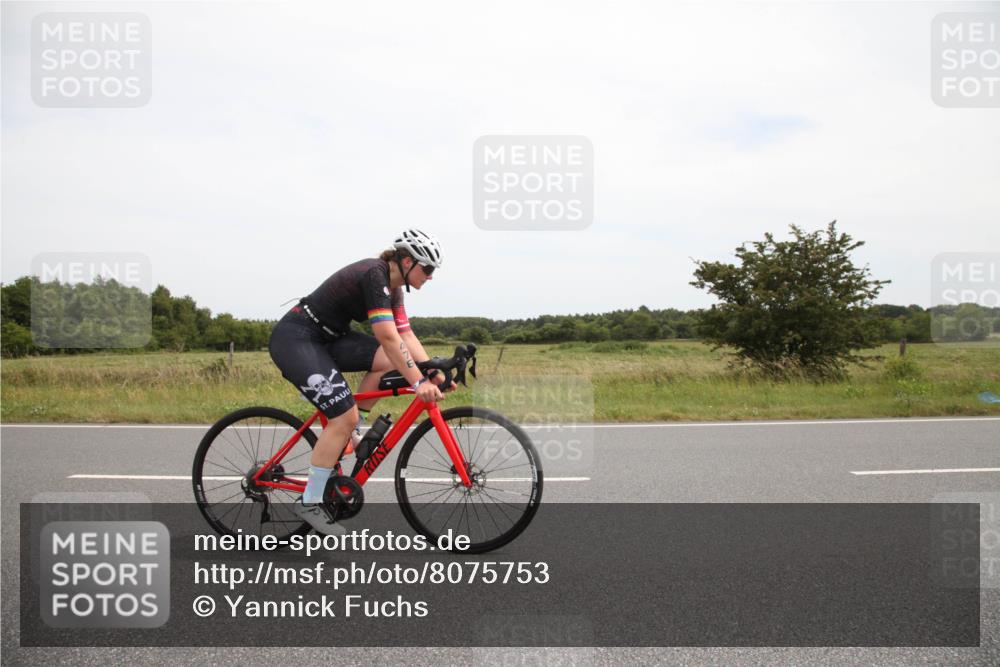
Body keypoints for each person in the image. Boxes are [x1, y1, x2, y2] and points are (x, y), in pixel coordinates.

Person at [268, 229, 449, 534]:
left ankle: (355, 429)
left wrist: (433, 373)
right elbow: (388, 336)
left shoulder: (394, 288)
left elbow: (405, 335)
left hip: (328, 338)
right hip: (297, 338)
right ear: (406, 261)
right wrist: (419, 383)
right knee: (343, 416)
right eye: (427, 269)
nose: (430, 276)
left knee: (388, 363)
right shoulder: (373, 275)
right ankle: (310, 501)